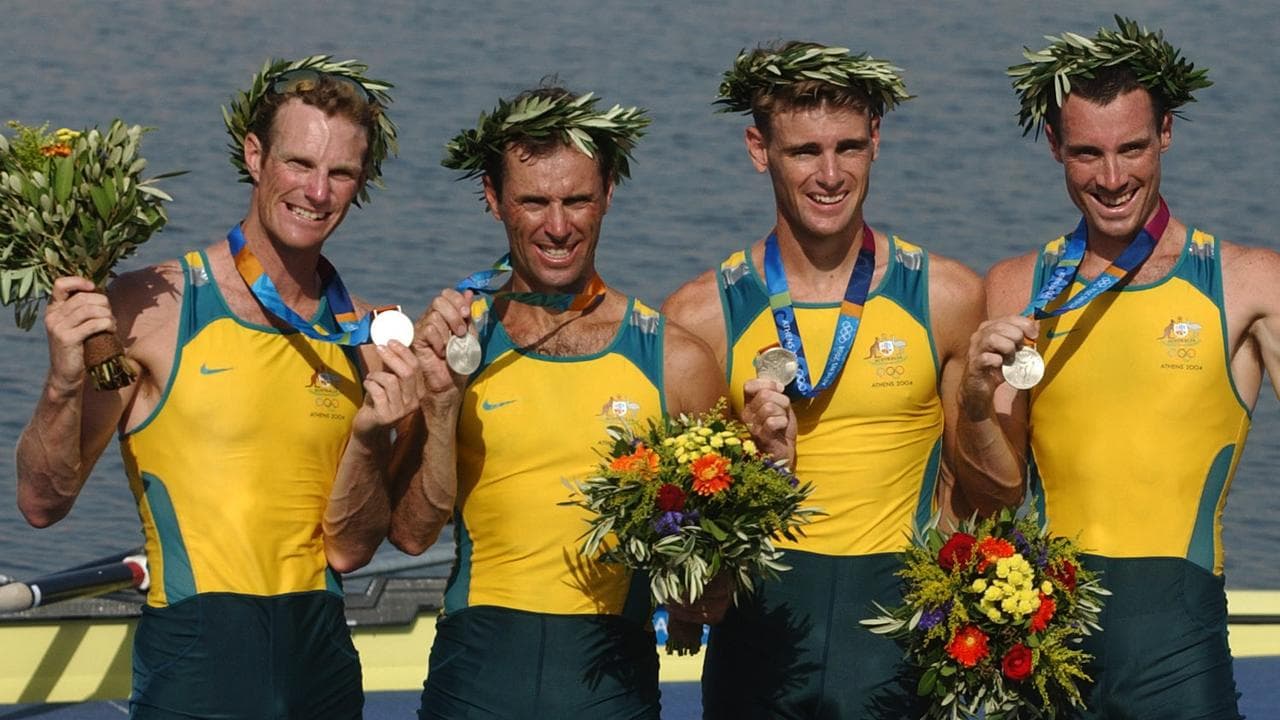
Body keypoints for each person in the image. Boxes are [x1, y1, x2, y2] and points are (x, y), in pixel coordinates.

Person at [15, 57, 419, 719]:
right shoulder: (150, 309)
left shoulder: (367, 336)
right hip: (196, 663)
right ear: (255, 156)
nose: (317, 192)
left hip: (321, 668)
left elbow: (349, 550)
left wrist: (381, 437)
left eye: (341, 172)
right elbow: (41, 503)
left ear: (360, 182)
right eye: (299, 163)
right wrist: (63, 383)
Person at [956, 17, 1276, 719]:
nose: (1112, 178)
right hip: (1047, 640)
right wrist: (974, 402)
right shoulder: (1017, 287)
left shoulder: (1247, 283)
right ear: (1054, 146)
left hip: (1179, 645)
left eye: (1132, 148)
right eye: (1087, 153)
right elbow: (997, 495)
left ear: (1166, 133)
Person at [662, 41, 984, 718]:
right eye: (805, 151)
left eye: (848, 148)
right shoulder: (701, 316)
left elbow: (977, 489)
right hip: (760, 638)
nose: (830, 174)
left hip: (897, 637)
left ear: (876, 141)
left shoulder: (947, 296)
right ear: (759, 150)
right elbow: (678, 520)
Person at [388, 85, 725, 719]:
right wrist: (437, 404)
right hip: (476, 675)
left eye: (577, 200)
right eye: (533, 202)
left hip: (610, 684)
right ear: (493, 198)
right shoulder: (455, 346)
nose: (558, 226)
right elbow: (409, 535)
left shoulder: (674, 360)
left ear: (608, 194)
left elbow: (712, 576)